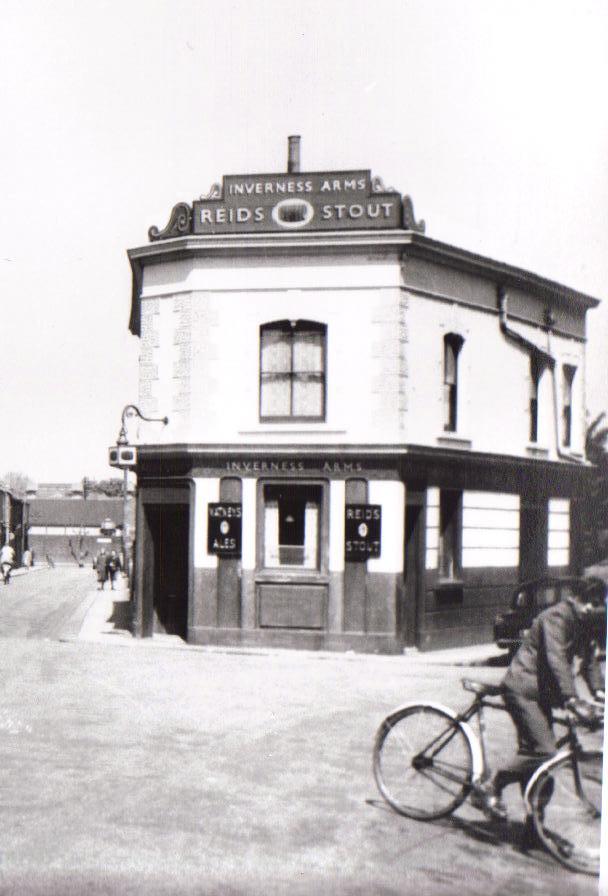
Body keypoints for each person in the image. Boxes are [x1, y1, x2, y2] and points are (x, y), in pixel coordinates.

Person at [473, 577, 606, 835]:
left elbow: (589, 660)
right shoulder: (557, 617)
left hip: (541, 695)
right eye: (590, 603)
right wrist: (571, 698)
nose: (593, 609)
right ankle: (491, 784)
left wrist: (600, 692)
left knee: (538, 763)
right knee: (545, 753)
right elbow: (556, 659)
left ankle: (534, 827)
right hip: (523, 689)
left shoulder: (583, 622)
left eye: (598, 604)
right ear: (577, 599)